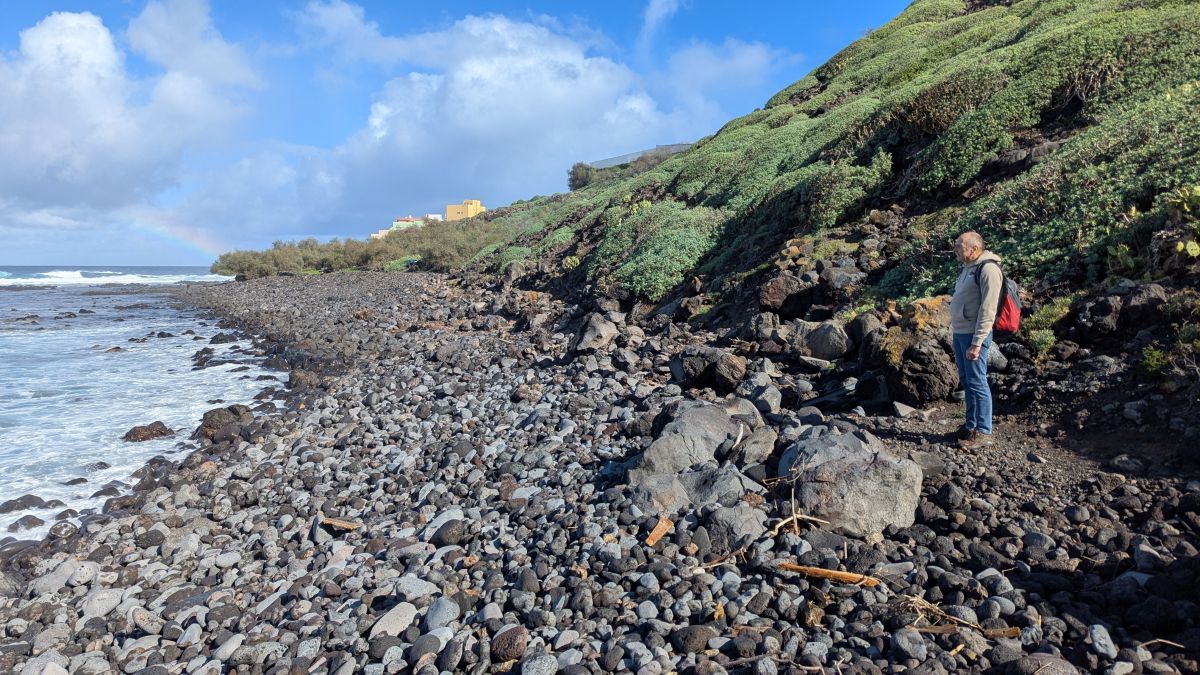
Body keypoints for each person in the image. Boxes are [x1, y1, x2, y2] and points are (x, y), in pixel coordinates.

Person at [949, 231, 1002, 448]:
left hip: (973, 334)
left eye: (959, 246)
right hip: (961, 332)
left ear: (975, 248)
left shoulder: (988, 269)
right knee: (967, 380)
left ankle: (984, 431)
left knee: (977, 382)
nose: (956, 249)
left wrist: (977, 342)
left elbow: (988, 309)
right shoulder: (968, 267)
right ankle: (970, 426)